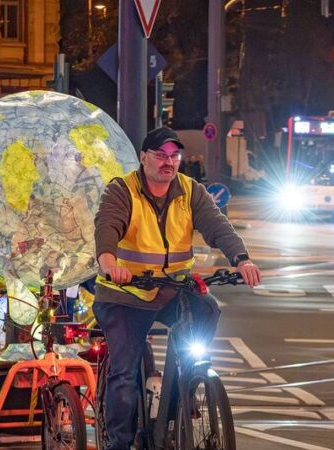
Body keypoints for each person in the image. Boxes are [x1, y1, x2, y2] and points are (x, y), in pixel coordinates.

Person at [92, 127, 262, 450]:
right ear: (144, 158)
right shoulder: (122, 191)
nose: (168, 162)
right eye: (160, 155)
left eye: (174, 156)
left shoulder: (189, 190)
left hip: (171, 290)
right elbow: (107, 227)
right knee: (125, 373)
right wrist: (109, 264)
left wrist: (242, 259)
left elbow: (216, 224)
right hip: (125, 295)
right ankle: (119, 443)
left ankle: (181, 393)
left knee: (207, 307)